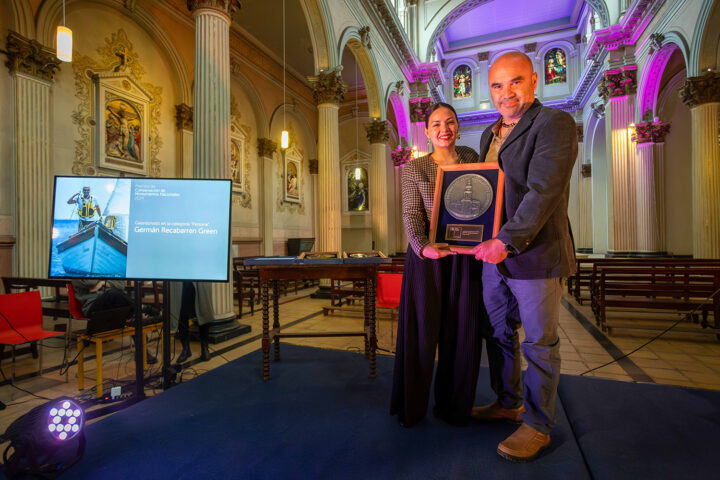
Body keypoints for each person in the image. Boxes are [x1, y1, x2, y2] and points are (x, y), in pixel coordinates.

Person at [471, 52, 577, 462]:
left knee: (539, 343)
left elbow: (543, 192)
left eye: (515, 81)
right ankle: (508, 402)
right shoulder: (489, 134)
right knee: (497, 332)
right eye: (497, 85)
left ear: (534, 80)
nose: (506, 93)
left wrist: (506, 240)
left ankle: (537, 424)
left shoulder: (554, 123)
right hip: (494, 256)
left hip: (535, 253)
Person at [390, 102, 488, 427]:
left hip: (465, 258)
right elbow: (410, 214)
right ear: (427, 131)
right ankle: (412, 407)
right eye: (436, 124)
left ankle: (454, 407)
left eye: (450, 122)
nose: (444, 129)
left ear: (458, 126)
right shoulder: (415, 168)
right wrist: (423, 247)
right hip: (427, 260)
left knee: (461, 333)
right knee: (421, 332)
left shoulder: (472, 158)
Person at [71, 279, 157, 364]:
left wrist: (102, 283)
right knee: (113, 294)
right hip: (93, 307)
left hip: (112, 303)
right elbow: (90, 282)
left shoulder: (103, 273)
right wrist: (108, 280)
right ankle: (142, 308)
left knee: (129, 310)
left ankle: (141, 350)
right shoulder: (76, 273)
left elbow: (121, 284)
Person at [169, 281, 215, 363]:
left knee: (204, 312)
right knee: (182, 314)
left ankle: (205, 348)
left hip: (200, 279)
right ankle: (186, 349)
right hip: (181, 281)